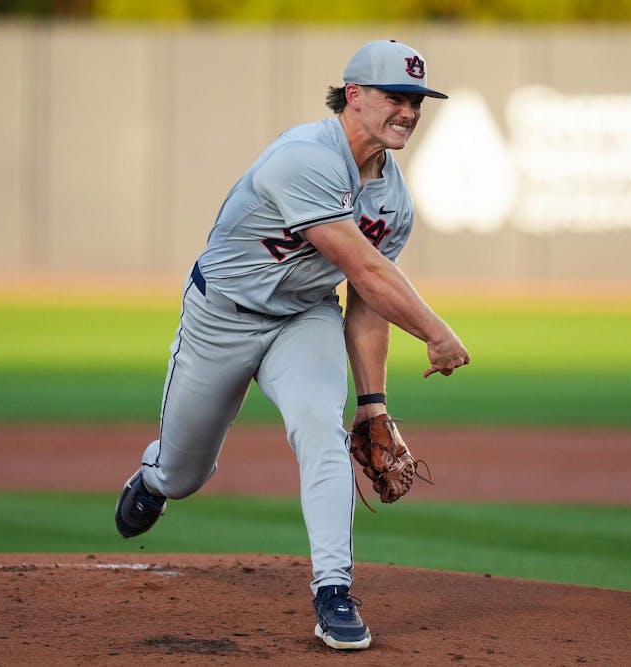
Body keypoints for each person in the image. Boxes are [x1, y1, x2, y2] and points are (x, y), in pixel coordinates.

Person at [114, 39, 470, 651]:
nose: (410, 111)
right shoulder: (304, 158)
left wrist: (374, 403)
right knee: (185, 473)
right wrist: (437, 333)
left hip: (304, 319)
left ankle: (334, 592)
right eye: (396, 96)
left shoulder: (394, 201)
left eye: (417, 101)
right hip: (221, 318)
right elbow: (368, 271)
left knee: (321, 431)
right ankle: (156, 479)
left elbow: (366, 303)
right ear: (353, 95)